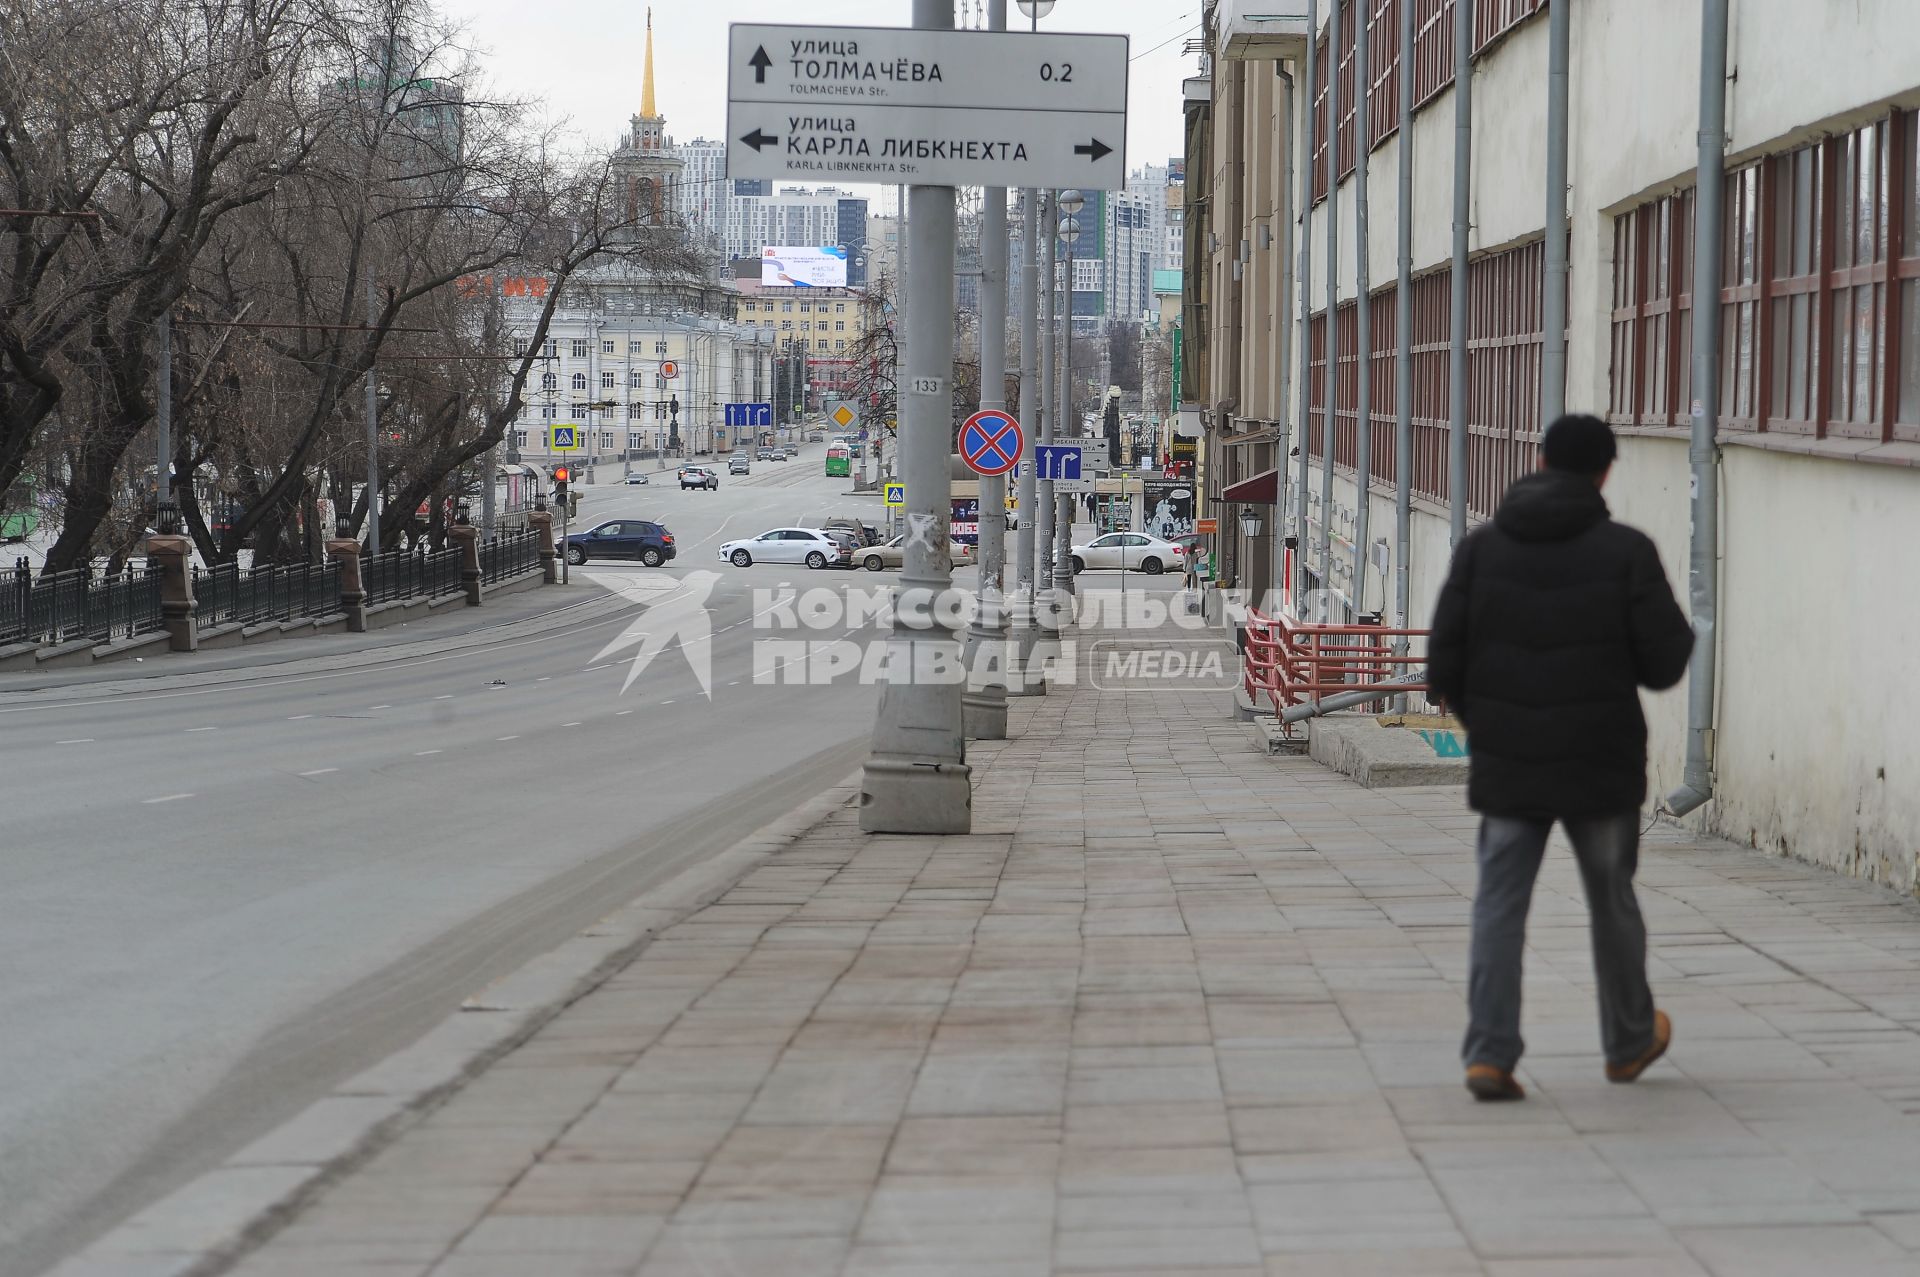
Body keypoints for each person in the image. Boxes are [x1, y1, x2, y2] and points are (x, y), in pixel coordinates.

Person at [1428, 414, 1694, 1102]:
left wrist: (1487, 722)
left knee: (1499, 902)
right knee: (1612, 901)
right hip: (1600, 764)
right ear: (1606, 470)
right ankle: (1630, 1039)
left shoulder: (1482, 550)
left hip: (1510, 761)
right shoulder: (1627, 551)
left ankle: (1490, 1053)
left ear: (1540, 459)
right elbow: (1665, 664)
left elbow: (1443, 659)